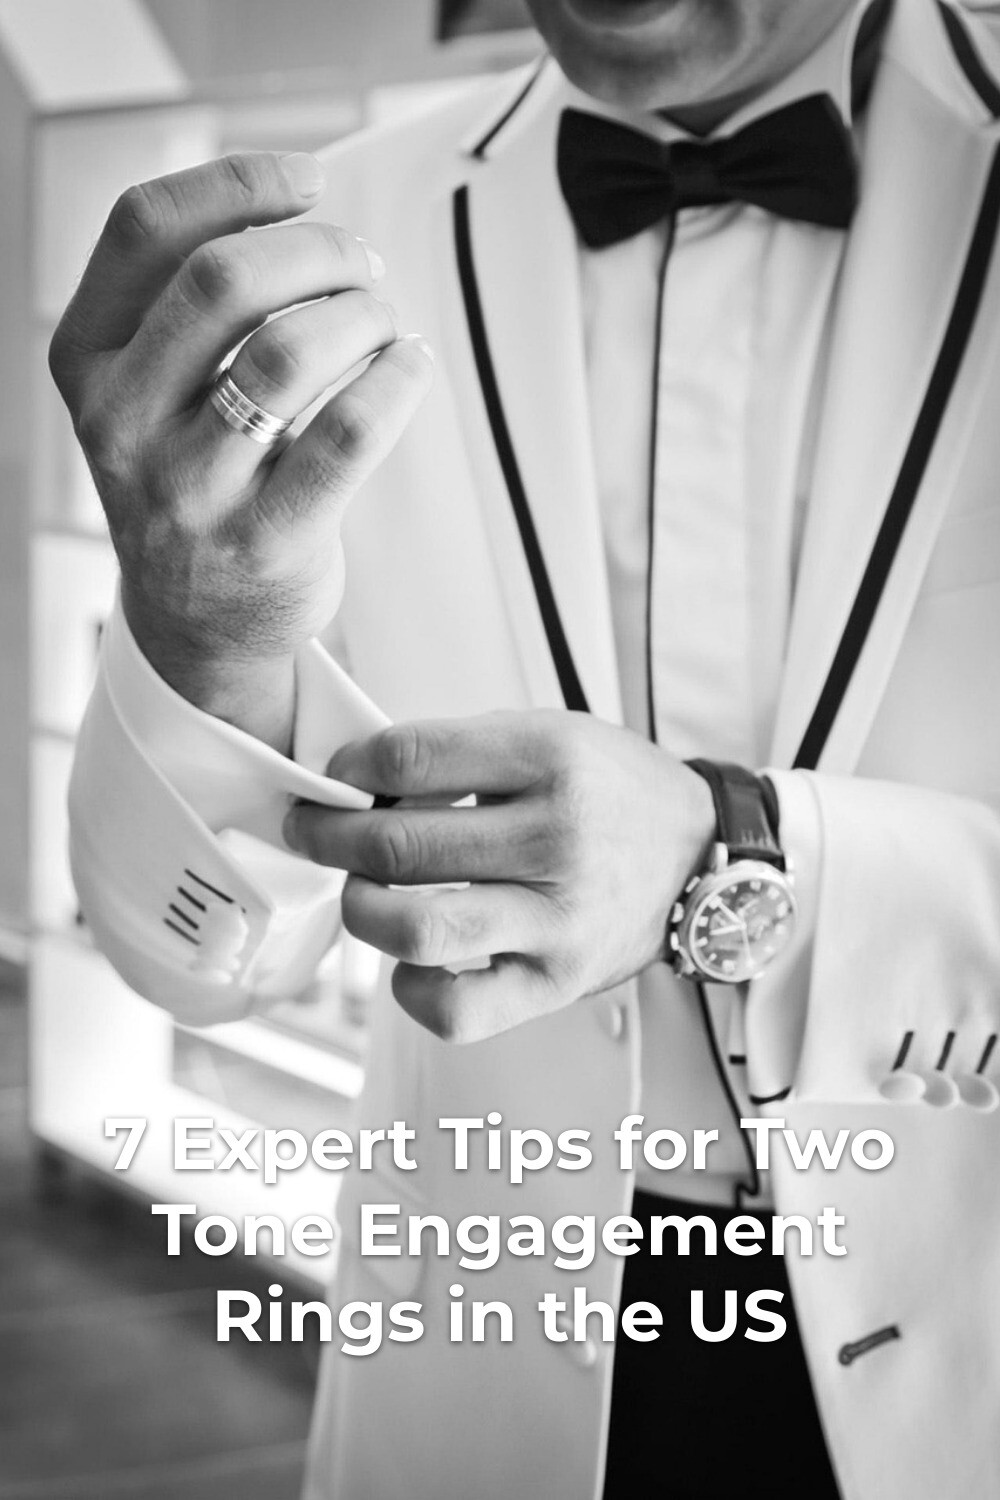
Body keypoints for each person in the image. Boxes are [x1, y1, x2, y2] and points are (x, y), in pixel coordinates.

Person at [49, 0, 1000, 1495]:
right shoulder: (326, 243)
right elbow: (194, 965)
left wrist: (749, 864)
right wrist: (202, 636)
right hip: (476, 1361)